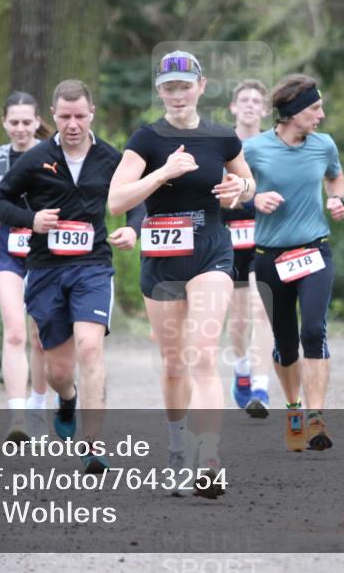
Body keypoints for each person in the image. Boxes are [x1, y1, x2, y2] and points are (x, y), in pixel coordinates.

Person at [108, 50, 255, 497]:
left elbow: (247, 187)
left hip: (211, 250)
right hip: (162, 258)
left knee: (204, 356)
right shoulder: (146, 140)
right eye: (169, 88)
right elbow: (117, 201)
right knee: (174, 364)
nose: (177, 95)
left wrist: (239, 188)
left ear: (201, 86)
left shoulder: (222, 137)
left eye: (184, 86)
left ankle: (208, 459)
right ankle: (177, 448)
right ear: (160, 92)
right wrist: (162, 174)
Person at [0, 80, 144, 474]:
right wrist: (32, 219)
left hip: (93, 265)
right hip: (45, 269)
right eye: (64, 116)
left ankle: (93, 445)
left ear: (91, 113)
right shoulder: (37, 157)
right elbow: (0, 201)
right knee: (59, 370)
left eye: (79, 115)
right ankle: (68, 397)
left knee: (90, 349)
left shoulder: (112, 157)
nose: (72, 124)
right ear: (53, 117)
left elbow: (140, 198)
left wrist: (133, 228)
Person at [242, 74, 344, 453]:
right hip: (271, 258)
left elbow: (336, 177)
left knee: (313, 331)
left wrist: (337, 200)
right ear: (292, 113)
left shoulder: (324, 146)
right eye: (315, 108)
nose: (321, 115)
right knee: (286, 345)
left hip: (314, 252)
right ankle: (294, 412)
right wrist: (253, 200)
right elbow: (228, 190)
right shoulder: (253, 150)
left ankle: (317, 418)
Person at [0, 92, 51, 442]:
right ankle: (17, 417)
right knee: (15, 330)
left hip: (45, 249)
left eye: (26, 122)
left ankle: (38, 406)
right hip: (7, 247)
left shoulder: (52, 156)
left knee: (41, 336)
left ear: (37, 122)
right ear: (4, 123)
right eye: (13, 122)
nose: (20, 129)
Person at [222, 80, 274, 418]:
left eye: (257, 101)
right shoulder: (221, 145)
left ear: (266, 110)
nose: (251, 105)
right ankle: (241, 369)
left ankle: (261, 387)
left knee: (262, 309)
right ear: (233, 107)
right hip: (230, 239)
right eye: (245, 100)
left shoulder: (274, 146)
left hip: (266, 238)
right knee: (239, 319)